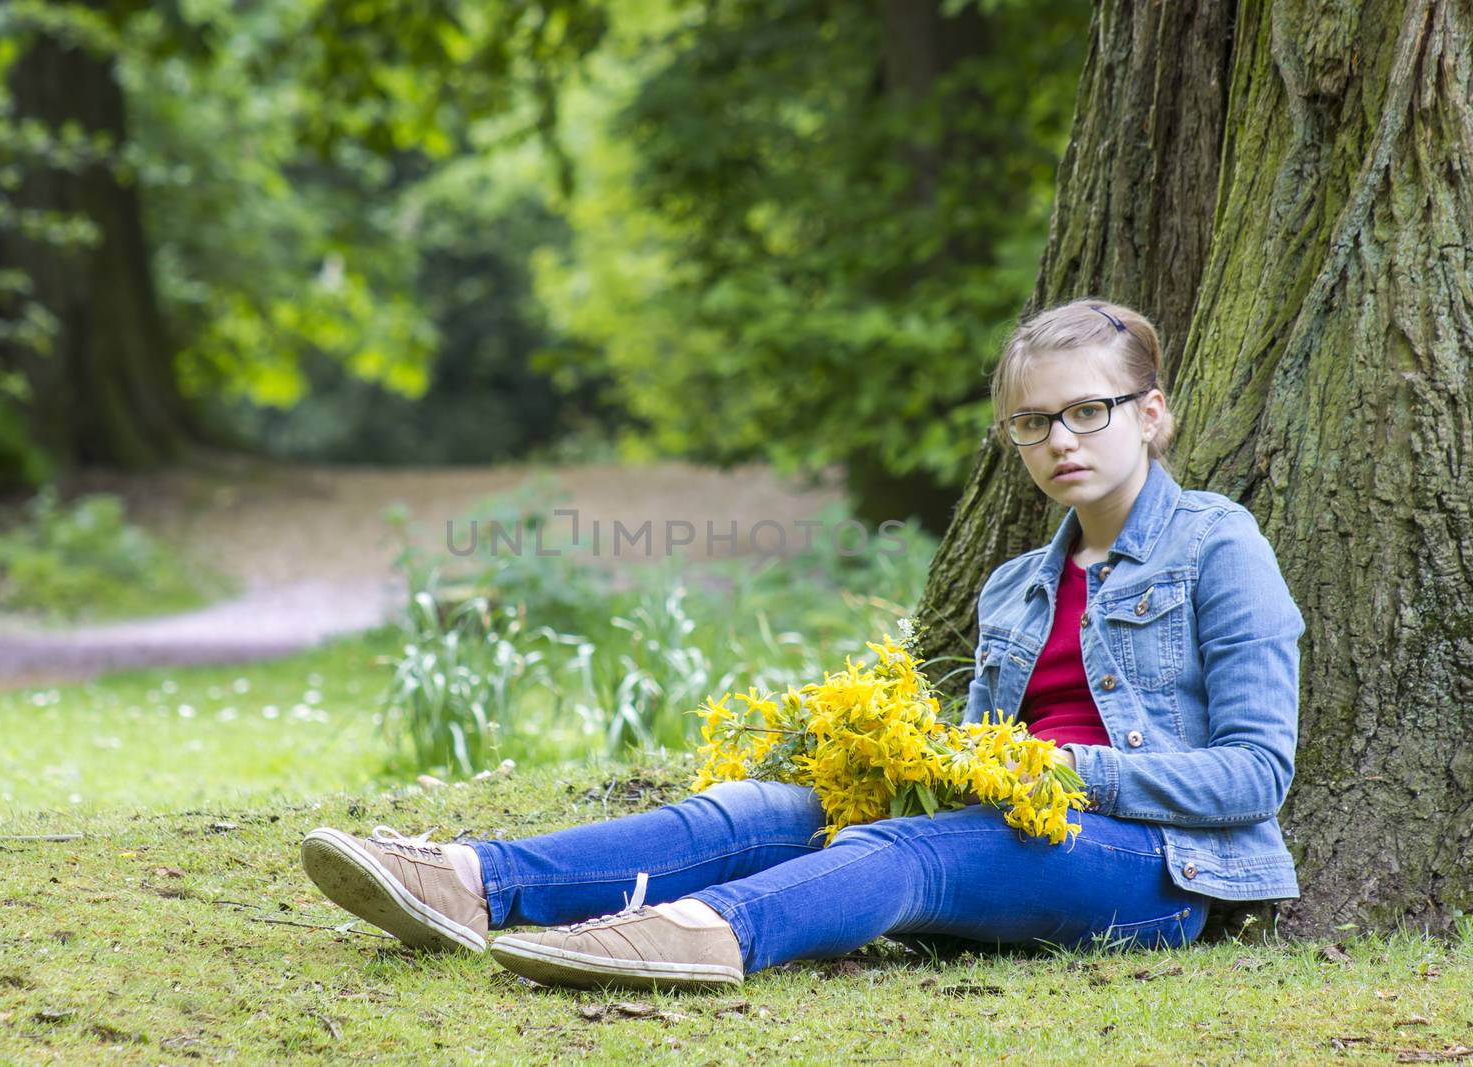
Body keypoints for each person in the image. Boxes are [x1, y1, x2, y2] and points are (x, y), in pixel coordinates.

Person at [299, 298, 1306, 991]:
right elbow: (974, 759)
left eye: (1088, 411)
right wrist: (906, 757)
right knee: (768, 804)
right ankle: (476, 881)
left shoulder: (1219, 545)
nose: (1060, 440)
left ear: (1152, 414)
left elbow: (1256, 774)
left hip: (1163, 870)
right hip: (1010, 822)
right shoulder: (1016, 584)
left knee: (904, 846)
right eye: (1032, 422)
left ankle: (702, 932)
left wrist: (1048, 769)